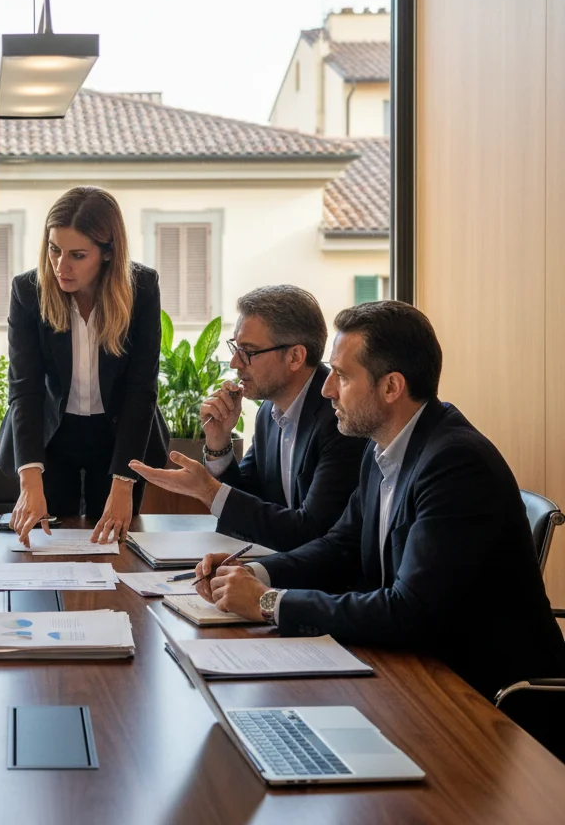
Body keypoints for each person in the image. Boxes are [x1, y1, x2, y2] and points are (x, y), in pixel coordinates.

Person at [195, 300, 565, 700]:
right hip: (414, 672)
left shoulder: (455, 464)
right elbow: (341, 546)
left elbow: (410, 611)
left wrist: (269, 603)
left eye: (341, 376)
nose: (326, 388)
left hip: (487, 701)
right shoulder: (384, 446)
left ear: (391, 387)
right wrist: (254, 573)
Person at [130, 285, 367, 551]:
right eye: (235, 347)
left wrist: (209, 491)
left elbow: (312, 532)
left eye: (248, 351)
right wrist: (219, 444)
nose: (234, 362)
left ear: (295, 356)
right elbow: (251, 500)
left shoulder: (342, 418)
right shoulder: (269, 411)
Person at [0, 186, 169, 546]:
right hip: (51, 436)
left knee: (114, 546)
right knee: (46, 545)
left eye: (77, 255)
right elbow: (25, 389)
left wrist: (124, 482)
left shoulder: (142, 289)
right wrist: (30, 481)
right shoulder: (28, 291)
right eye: (54, 249)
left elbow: (142, 389)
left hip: (119, 436)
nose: (61, 266)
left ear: (108, 254)